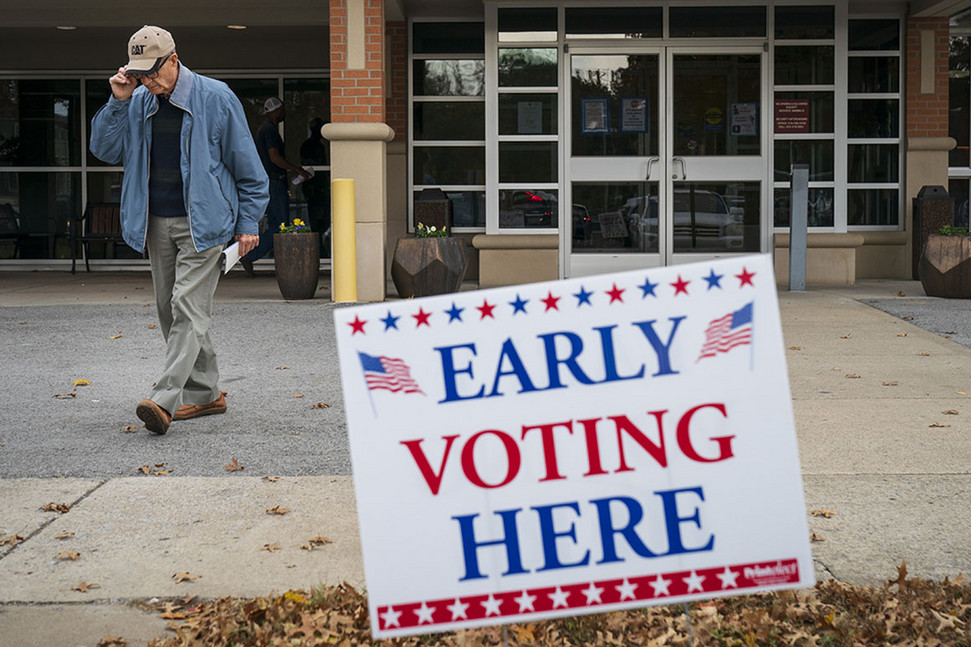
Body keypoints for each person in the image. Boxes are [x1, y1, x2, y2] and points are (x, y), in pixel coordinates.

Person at [89, 25, 269, 435]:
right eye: (140, 74)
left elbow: (248, 169)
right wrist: (117, 101)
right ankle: (206, 395)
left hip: (204, 223)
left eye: (153, 72)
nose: (147, 81)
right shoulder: (134, 101)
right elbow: (103, 149)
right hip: (155, 222)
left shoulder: (216, 97)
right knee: (171, 311)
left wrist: (247, 224)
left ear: (174, 59)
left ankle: (164, 398)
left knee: (188, 307)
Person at [240, 97, 310, 275]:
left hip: (270, 181)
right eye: (283, 109)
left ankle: (258, 256)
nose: (284, 113)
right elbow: (274, 157)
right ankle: (250, 254)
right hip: (273, 182)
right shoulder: (269, 130)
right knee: (280, 226)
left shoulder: (265, 129)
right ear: (277, 110)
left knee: (276, 224)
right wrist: (296, 169)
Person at [299, 117, 331, 256]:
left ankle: (320, 251)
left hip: (320, 189)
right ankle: (318, 252)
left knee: (323, 222)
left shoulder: (318, 145)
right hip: (315, 190)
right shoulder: (309, 146)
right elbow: (311, 166)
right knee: (317, 222)